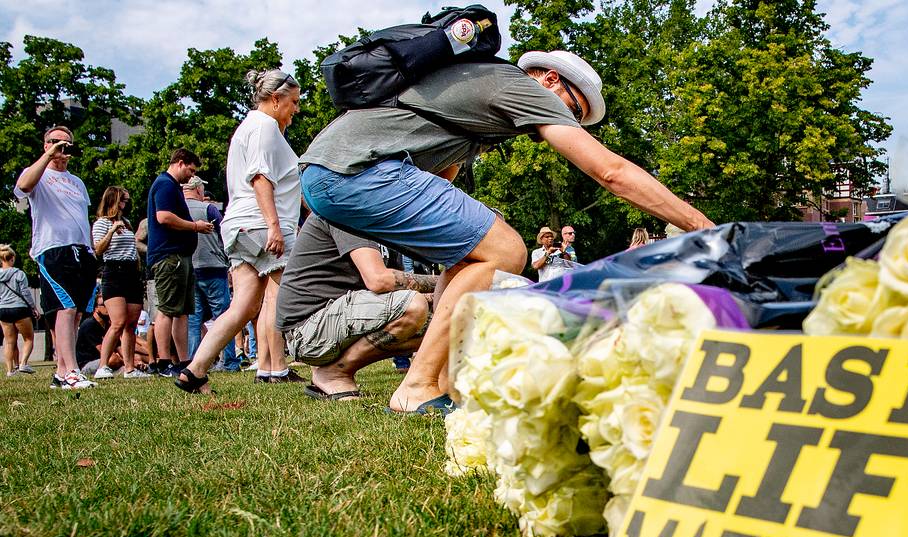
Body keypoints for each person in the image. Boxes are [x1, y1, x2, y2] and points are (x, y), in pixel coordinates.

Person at [297, 48, 713, 414]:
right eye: (573, 112)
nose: (569, 124)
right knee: (506, 250)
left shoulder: (482, 107)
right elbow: (611, 172)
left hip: (331, 173)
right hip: (353, 171)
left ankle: (440, 384)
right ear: (551, 80)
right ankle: (416, 386)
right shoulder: (518, 87)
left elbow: (443, 176)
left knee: (469, 254)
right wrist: (703, 228)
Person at [177, 69, 305, 394]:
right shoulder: (265, 128)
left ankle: (195, 370)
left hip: (240, 225)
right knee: (285, 294)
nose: (296, 109)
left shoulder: (247, 128)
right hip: (262, 224)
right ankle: (282, 367)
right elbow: (260, 178)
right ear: (275, 99)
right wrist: (275, 226)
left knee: (244, 306)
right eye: (293, 102)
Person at [274, 217, 433, 400]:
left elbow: (397, 289)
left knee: (443, 322)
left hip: (339, 316)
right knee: (413, 306)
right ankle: (334, 373)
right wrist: (445, 282)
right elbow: (379, 280)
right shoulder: (344, 207)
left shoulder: (388, 224)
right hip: (307, 330)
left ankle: (435, 383)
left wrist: (447, 294)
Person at [14, 125, 98, 389]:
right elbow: (23, 187)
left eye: (65, 144)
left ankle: (62, 371)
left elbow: (83, 218)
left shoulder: (77, 182)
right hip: (53, 249)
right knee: (65, 307)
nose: (61, 148)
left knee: (75, 314)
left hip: (81, 250)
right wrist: (49, 155)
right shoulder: (37, 173)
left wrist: (92, 251)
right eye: (54, 142)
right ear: (45, 144)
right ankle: (72, 370)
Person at [146, 148, 211, 377]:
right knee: (167, 310)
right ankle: (164, 362)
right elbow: (163, 217)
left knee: (182, 311)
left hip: (181, 257)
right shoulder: (165, 184)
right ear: (180, 163)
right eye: (191, 171)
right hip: (169, 257)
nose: (191, 177)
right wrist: (195, 226)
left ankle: (183, 360)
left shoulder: (173, 187)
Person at [90, 186, 148, 379]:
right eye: (123, 200)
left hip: (131, 272)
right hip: (114, 271)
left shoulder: (128, 223)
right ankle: (103, 365)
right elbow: (98, 249)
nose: (125, 204)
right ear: (114, 200)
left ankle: (130, 368)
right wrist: (112, 231)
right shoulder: (101, 223)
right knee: (118, 322)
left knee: (131, 324)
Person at [183, 176, 239, 372]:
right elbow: (225, 235)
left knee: (194, 321)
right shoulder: (209, 209)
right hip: (214, 267)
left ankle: (194, 363)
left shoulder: (177, 211)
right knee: (224, 317)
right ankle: (230, 362)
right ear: (199, 189)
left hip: (190, 269)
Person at [0, 244, 39, 376]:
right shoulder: (19, 273)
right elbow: (25, 293)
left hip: (3, 309)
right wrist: (33, 307)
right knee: (28, 338)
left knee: (9, 341)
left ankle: (10, 370)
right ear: (12, 259)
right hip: (19, 308)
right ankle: (23, 363)